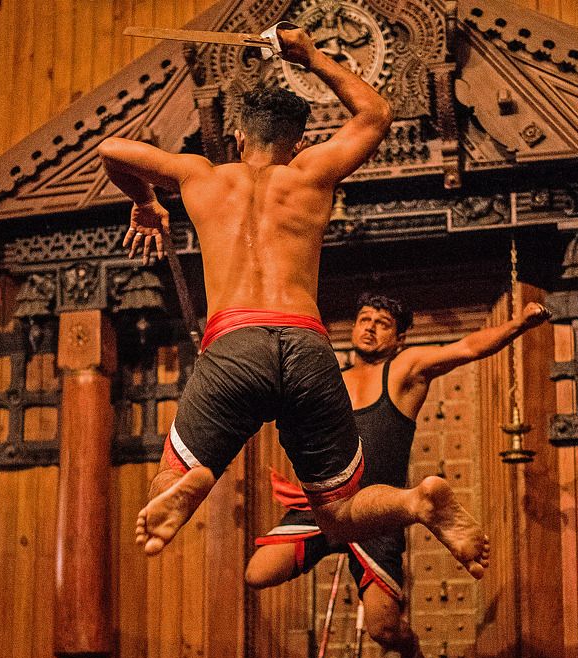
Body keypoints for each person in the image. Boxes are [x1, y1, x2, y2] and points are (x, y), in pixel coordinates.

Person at [97, 27, 489, 579]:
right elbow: (376, 113)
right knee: (336, 514)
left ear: (235, 136)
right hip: (306, 347)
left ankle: (190, 483)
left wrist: (144, 202)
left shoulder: (199, 174)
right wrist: (311, 56)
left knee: (171, 473)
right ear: (300, 143)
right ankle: (417, 503)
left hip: (234, 344)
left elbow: (111, 150)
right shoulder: (311, 173)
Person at [246, 293, 550, 658]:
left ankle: (411, 649)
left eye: (382, 323)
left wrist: (518, 323)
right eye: (364, 319)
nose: (370, 327)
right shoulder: (329, 380)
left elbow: (468, 347)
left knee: (383, 628)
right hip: (325, 505)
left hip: (377, 511)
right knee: (257, 573)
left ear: (400, 338)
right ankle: (402, 509)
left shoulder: (405, 369)